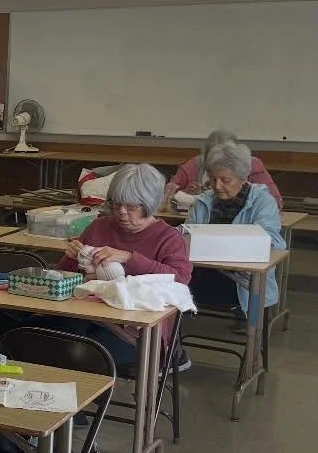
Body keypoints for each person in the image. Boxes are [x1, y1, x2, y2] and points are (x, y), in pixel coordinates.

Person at [54, 163, 192, 366]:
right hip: (86, 316)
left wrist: (129, 258)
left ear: (150, 203)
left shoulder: (168, 238)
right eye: (116, 204)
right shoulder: (99, 227)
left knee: (80, 354)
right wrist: (72, 257)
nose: (122, 212)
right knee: (40, 337)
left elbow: (180, 280)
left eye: (132, 206)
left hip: (135, 333)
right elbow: (62, 275)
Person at [185, 140, 285, 317]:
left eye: (225, 180)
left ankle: (253, 332)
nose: (217, 186)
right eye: (213, 179)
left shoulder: (262, 202)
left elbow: (273, 244)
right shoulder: (203, 201)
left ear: (243, 178)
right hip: (202, 274)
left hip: (241, 282)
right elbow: (186, 235)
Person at [166, 128, 282, 206]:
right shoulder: (194, 165)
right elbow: (166, 197)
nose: (217, 186)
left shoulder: (253, 166)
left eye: (225, 180)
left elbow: (275, 202)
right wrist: (184, 192)